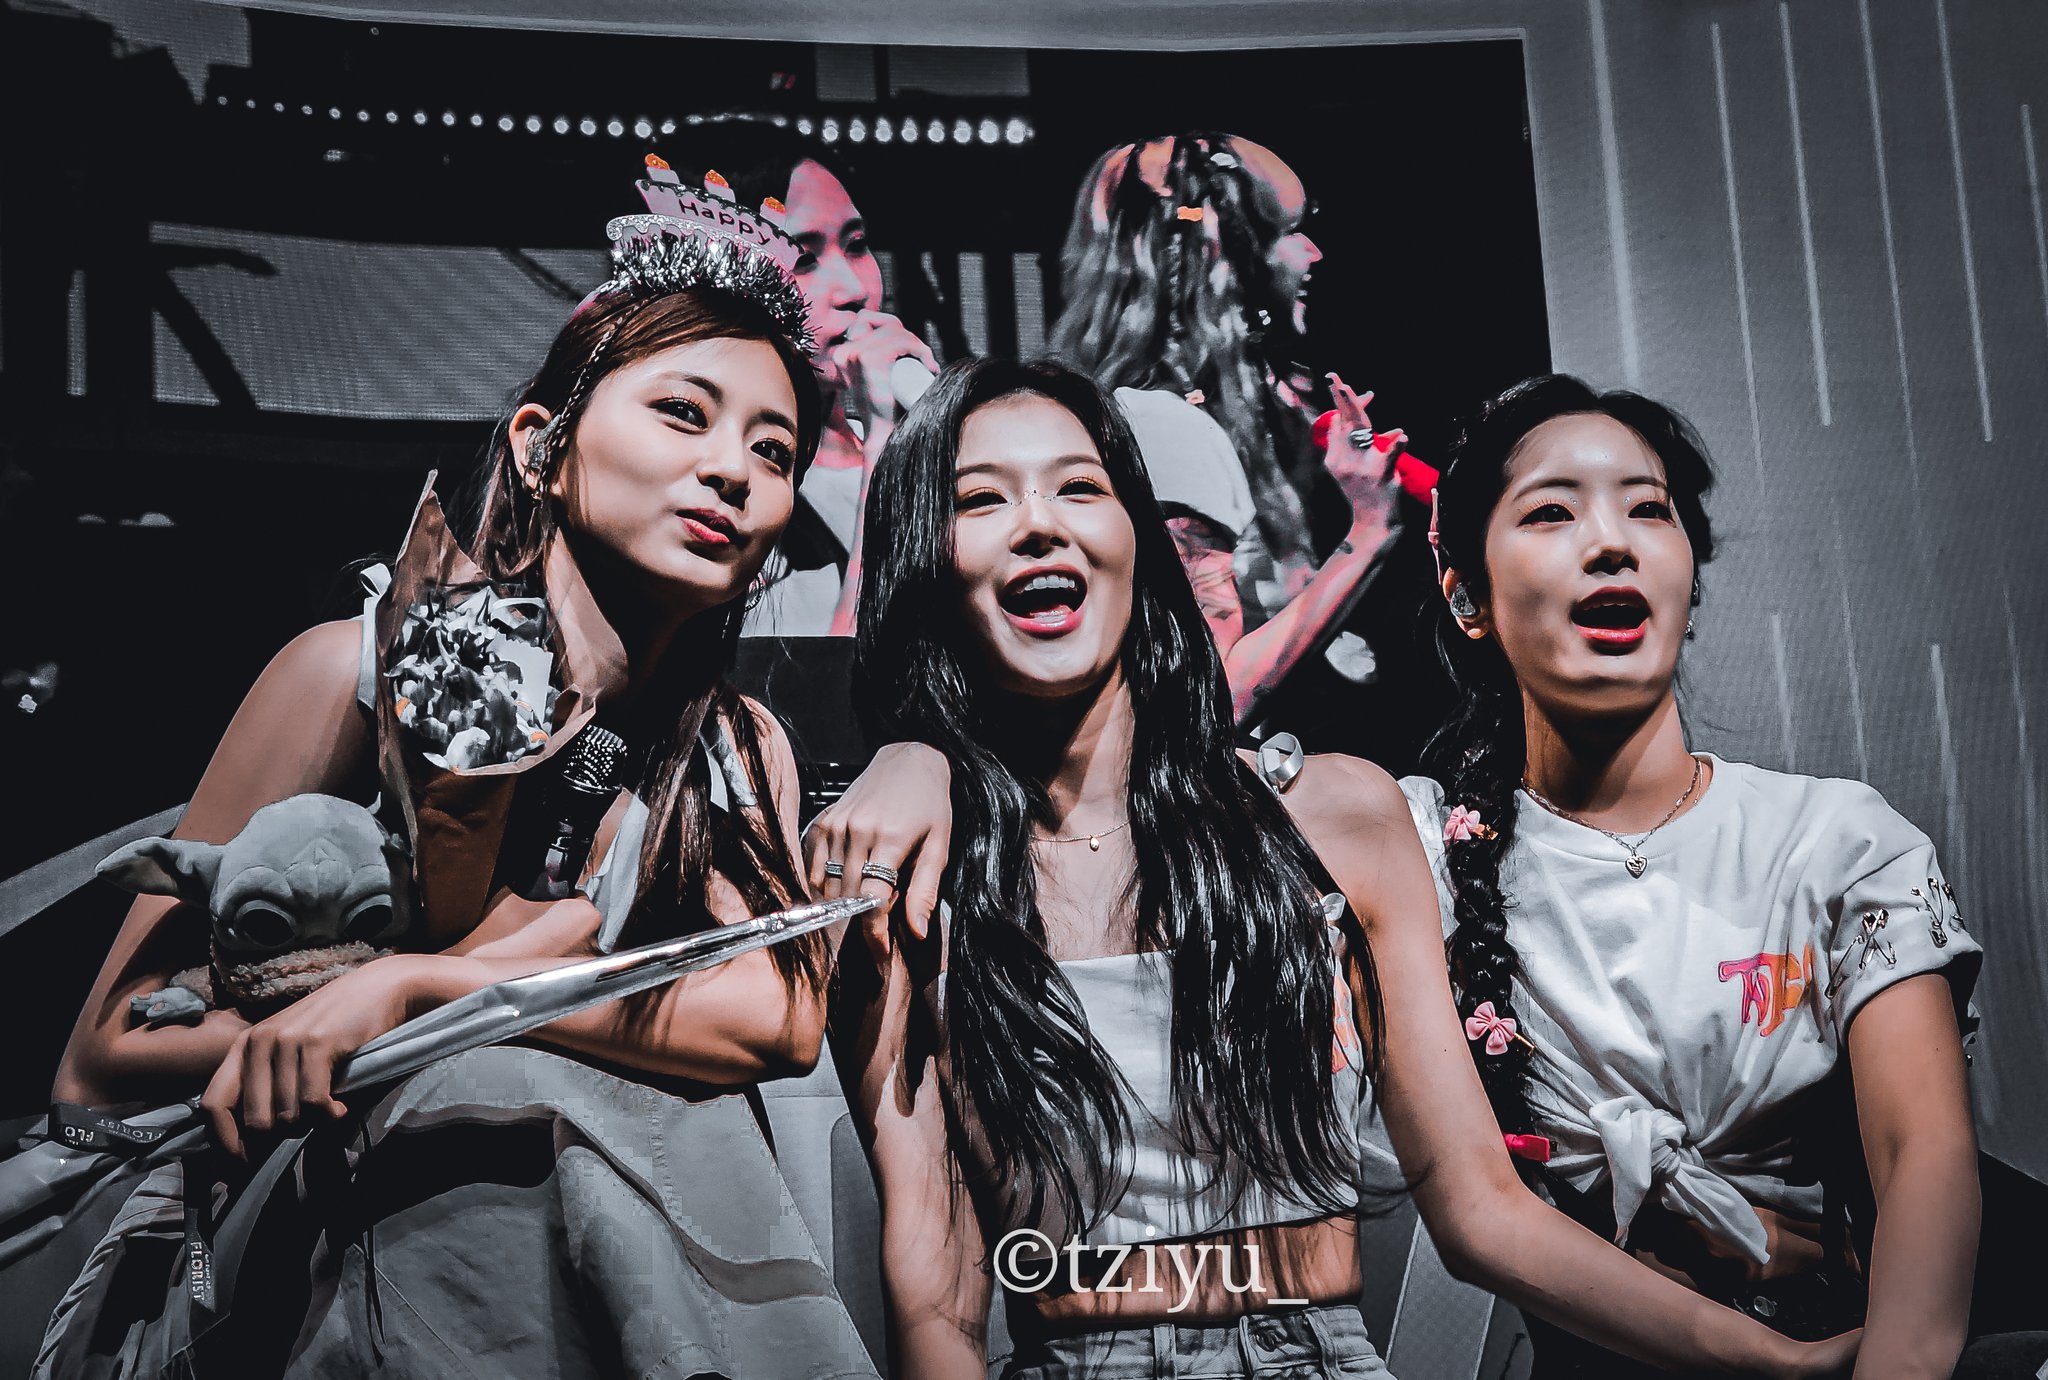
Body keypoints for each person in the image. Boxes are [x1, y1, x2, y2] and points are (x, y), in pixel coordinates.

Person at [809, 357, 1855, 1378]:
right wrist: (912, 756)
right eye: (981, 498)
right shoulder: (913, 880)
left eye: (1080, 486)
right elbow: (937, 1289)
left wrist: (1775, 1360)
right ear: (925, 560)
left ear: (1134, 539)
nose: (1041, 522)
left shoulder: (1337, 815)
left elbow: (1481, 1209)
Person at [36, 161, 877, 1379]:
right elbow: (99, 1058)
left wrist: (419, 990)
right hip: (298, 1229)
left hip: (611, 1258)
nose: (732, 470)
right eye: (681, 412)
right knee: (488, 1105)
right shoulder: (349, 672)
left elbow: (775, 1015)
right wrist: (329, 1036)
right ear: (542, 446)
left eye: (774, 449)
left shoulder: (733, 744)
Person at [1405, 374, 2031, 1378]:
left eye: (1647, 510)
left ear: (1688, 583)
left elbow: (1921, 1155)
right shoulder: (1420, 861)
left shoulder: (1833, 841)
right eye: (1552, 511)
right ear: (1465, 595)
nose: (1610, 543)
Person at [1050, 132, 1440, 733]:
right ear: (1226, 255)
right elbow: (1215, 698)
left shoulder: (1236, 407)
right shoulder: (1165, 426)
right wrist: (1370, 530)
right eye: (1289, 233)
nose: (1313, 253)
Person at [672, 117, 944, 638]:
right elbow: (833, 681)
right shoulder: (722, 486)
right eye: (803, 258)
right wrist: (885, 459)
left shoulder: (920, 455)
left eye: (857, 245)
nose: (853, 290)